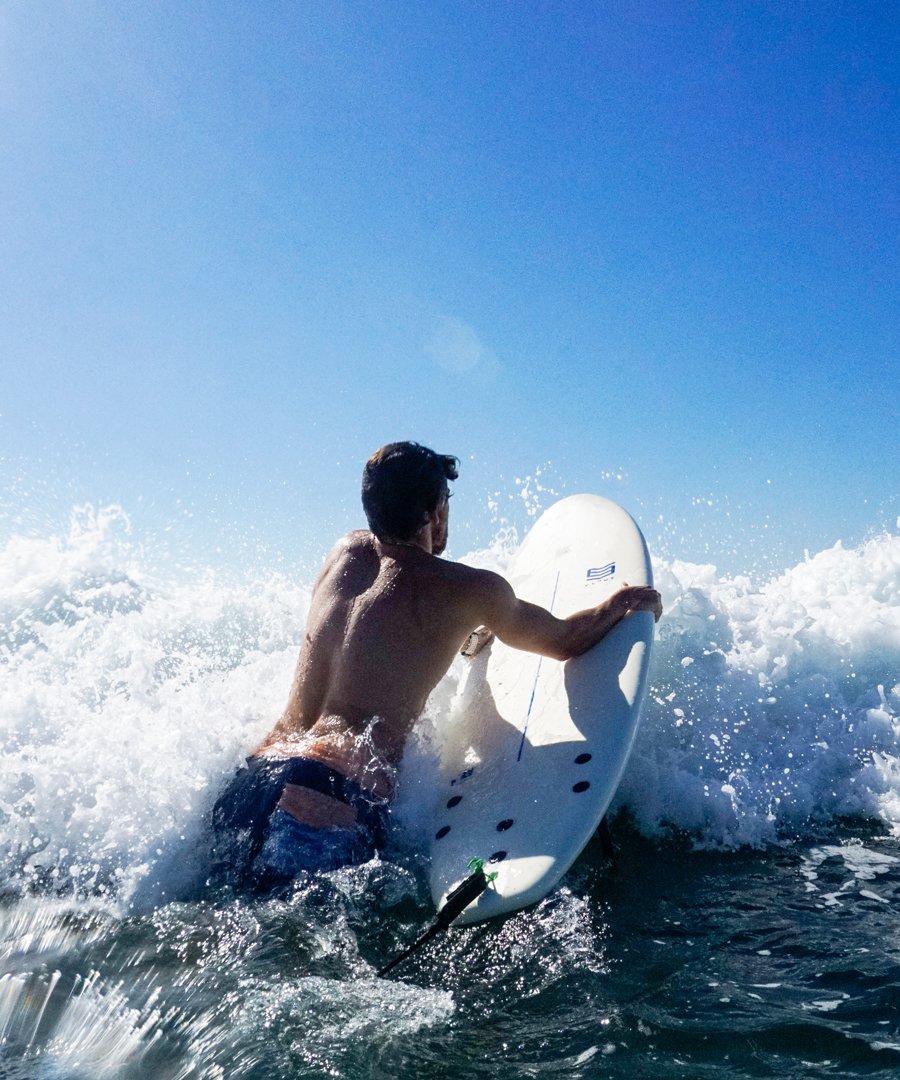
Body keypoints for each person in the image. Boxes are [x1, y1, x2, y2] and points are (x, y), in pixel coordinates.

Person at [211, 441, 662, 889]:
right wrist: (620, 605)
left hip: (254, 779)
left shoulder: (343, 553)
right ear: (434, 514)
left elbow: (379, 631)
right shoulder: (468, 590)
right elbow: (564, 641)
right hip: (331, 793)